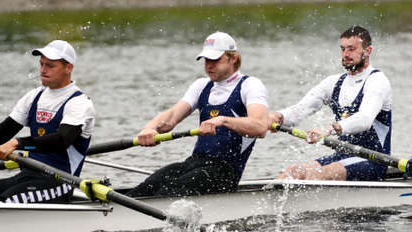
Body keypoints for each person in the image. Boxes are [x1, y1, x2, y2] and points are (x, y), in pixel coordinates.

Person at [127, 31, 269, 197]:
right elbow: (171, 117)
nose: (209, 65)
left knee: (169, 192)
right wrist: (150, 128)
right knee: (144, 190)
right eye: (206, 60)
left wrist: (222, 120)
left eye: (215, 60)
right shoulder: (201, 85)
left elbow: (260, 127)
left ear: (233, 58)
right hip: (194, 164)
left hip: (224, 173)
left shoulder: (250, 85)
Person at [0, 40, 95, 203]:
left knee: (2, 203)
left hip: (60, 183)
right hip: (28, 176)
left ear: (69, 68)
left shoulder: (79, 103)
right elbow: (3, 133)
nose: (43, 70)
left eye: (50, 66)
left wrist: (18, 143)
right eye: (41, 64)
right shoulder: (34, 97)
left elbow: (61, 141)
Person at [270, 26, 392, 181]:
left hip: (373, 160)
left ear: (367, 51)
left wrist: (328, 129)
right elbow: (300, 110)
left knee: (317, 174)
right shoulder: (333, 83)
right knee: (293, 171)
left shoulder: (377, 80)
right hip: (342, 157)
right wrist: (277, 117)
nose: (345, 54)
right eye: (342, 49)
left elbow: (365, 119)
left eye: (351, 49)